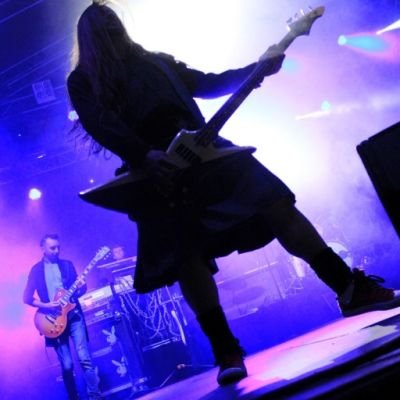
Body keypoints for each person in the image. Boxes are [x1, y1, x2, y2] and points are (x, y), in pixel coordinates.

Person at [67, 2, 400, 386]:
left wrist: (256, 70)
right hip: (155, 174)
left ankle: (349, 288)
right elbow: (100, 124)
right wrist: (143, 155)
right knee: (186, 256)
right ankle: (225, 349)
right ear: (91, 38)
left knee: (276, 204)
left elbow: (207, 83)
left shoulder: (155, 61)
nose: (112, 30)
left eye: (114, 23)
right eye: (104, 27)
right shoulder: (83, 80)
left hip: (208, 152)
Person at [23, 234, 101, 400]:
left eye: (58, 247)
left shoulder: (67, 265)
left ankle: (95, 397)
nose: (56, 251)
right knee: (67, 365)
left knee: (85, 358)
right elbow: (27, 298)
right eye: (52, 248)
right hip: (53, 321)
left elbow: (80, 290)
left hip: (74, 317)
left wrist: (81, 287)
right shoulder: (36, 271)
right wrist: (46, 305)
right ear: (43, 248)